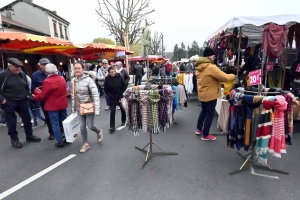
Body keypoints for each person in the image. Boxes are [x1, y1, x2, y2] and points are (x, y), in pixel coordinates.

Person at [195, 47, 235, 141]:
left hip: (202, 93)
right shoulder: (210, 67)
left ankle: (199, 129)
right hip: (210, 94)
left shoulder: (199, 66)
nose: (214, 58)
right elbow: (224, 77)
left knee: (204, 111)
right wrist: (234, 75)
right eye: (213, 56)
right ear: (209, 56)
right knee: (210, 114)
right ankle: (205, 135)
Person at [0, 58, 41, 148]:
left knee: (27, 119)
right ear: (9, 66)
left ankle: (29, 135)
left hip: (22, 100)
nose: (18, 69)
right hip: (9, 101)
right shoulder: (2, 75)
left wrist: (28, 94)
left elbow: (26, 86)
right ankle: (14, 140)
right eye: (16, 67)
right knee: (12, 122)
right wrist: (2, 99)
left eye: (19, 67)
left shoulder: (21, 74)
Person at [33, 63, 68, 148]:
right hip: (62, 103)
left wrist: (34, 96)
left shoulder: (47, 81)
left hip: (52, 106)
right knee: (65, 122)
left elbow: (43, 95)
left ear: (47, 71)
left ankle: (59, 141)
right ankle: (68, 137)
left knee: (55, 124)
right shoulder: (61, 78)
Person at [71, 62, 102, 153]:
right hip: (79, 107)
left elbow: (96, 94)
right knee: (82, 126)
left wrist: (97, 109)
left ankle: (99, 131)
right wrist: (73, 108)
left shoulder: (89, 80)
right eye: (75, 68)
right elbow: (73, 96)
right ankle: (86, 143)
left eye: (79, 68)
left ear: (83, 69)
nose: (77, 70)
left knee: (91, 125)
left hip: (89, 106)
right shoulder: (73, 81)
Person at [31, 58, 63, 140]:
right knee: (48, 117)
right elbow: (33, 88)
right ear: (40, 65)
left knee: (60, 117)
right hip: (44, 100)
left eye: (47, 64)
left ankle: (61, 131)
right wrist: (37, 92)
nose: (45, 66)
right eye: (43, 65)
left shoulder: (58, 73)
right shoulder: (35, 75)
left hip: (57, 98)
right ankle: (52, 132)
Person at [104, 67, 127, 133]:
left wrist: (122, 92)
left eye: (114, 71)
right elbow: (106, 89)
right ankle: (112, 127)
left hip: (120, 96)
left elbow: (124, 85)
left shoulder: (119, 76)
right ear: (109, 73)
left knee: (122, 109)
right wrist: (110, 95)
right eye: (111, 72)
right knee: (113, 111)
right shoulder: (107, 79)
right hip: (112, 98)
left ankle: (123, 121)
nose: (113, 73)